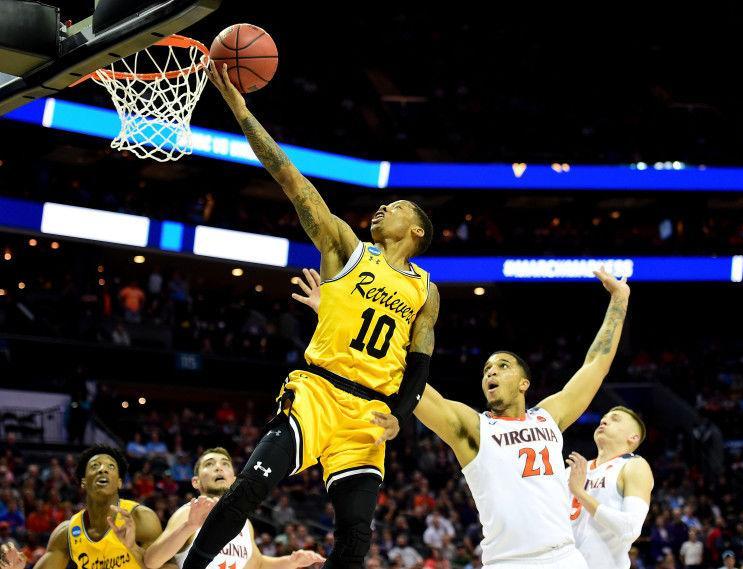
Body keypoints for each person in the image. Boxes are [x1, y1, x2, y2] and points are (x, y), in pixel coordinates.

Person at [184, 62, 439, 569]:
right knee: (246, 492)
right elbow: (289, 177)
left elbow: (421, 360)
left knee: (356, 536)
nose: (384, 207)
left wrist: (401, 416)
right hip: (318, 391)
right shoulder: (348, 247)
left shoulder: (426, 290)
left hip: (368, 413)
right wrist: (240, 108)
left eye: (398, 206)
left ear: (416, 232)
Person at [291, 266, 630, 567]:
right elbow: (408, 382)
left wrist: (619, 299)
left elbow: (595, 365)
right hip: (507, 561)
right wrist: (342, 325)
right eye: (486, 369)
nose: (490, 372)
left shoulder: (549, 417)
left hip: (565, 556)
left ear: (524, 383)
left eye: (502, 366)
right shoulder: (474, 427)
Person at [143, 447, 322, 569]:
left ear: (234, 479)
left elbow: (258, 564)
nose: (218, 468)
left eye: (225, 464)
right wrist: (189, 526)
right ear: (195, 482)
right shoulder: (188, 512)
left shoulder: (245, 523)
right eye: (209, 464)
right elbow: (151, 561)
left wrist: (290, 561)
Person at [0, 445, 170, 569]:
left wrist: (133, 548)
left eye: (111, 467)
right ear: (83, 482)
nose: (103, 470)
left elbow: (168, 568)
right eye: (95, 466)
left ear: (119, 482)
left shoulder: (141, 518)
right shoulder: (66, 532)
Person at [565, 407, 654, 569]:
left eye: (615, 419)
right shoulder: (573, 471)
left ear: (633, 438)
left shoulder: (633, 465)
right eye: (604, 418)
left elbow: (630, 528)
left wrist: (580, 493)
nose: (604, 421)